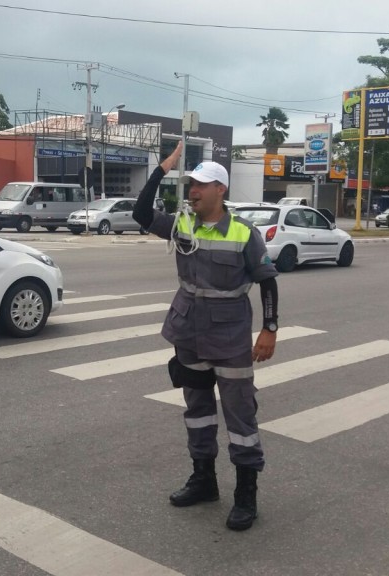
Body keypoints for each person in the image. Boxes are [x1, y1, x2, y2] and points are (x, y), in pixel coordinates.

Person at [132, 141, 279, 531]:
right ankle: (204, 480)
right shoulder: (183, 224)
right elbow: (140, 213)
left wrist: (269, 329)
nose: (193, 191)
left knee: (240, 417)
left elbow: (267, 281)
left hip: (229, 339)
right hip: (189, 335)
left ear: (220, 190)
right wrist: (162, 169)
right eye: (191, 184)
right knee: (197, 412)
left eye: (200, 185)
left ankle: (246, 493)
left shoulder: (244, 233)